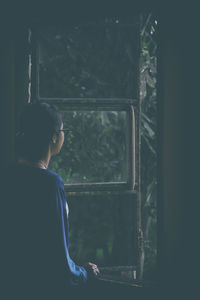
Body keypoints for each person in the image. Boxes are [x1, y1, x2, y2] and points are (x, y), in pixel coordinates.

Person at [1, 102, 99, 299]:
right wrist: (84, 273)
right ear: (54, 137)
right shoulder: (50, 184)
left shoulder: (7, 176)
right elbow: (58, 260)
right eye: (62, 130)